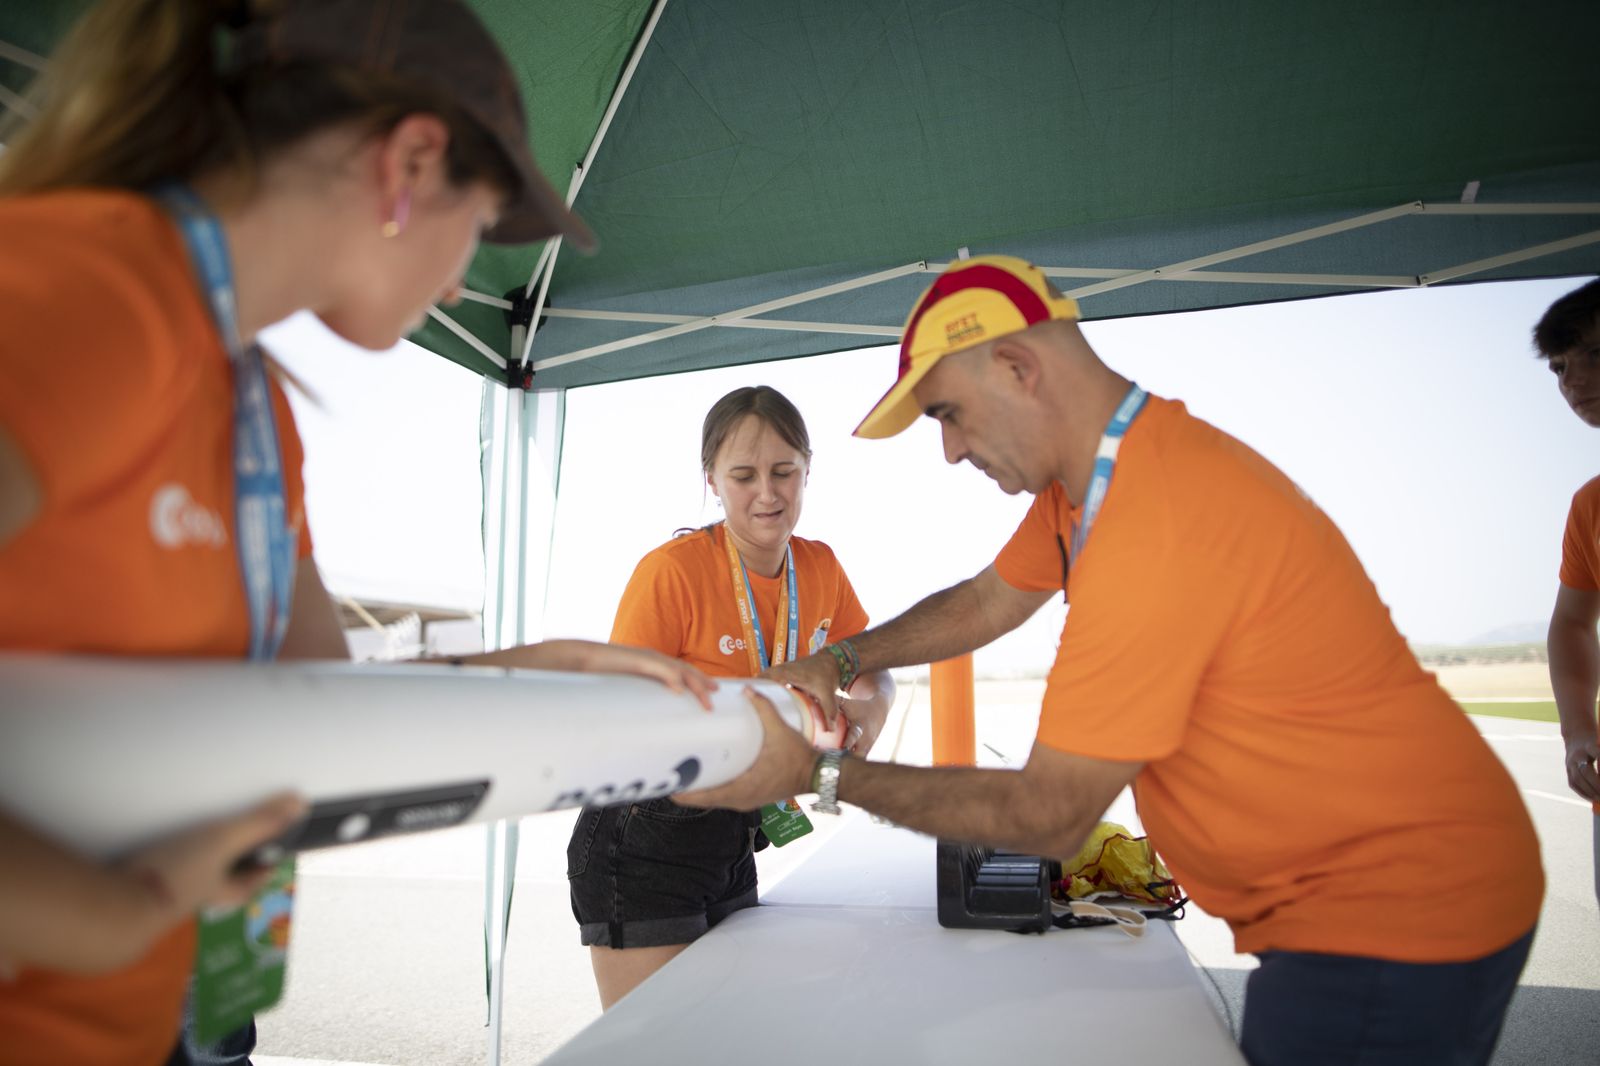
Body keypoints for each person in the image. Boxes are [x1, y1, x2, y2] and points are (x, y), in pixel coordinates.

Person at [0, 2, 714, 1064]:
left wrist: (533, 673)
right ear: (411, 160)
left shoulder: (254, 409)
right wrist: (112, 909)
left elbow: (318, 721)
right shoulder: (84, 289)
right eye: (478, 226)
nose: (469, 279)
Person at [681, 255, 1545, 1066]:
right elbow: (987, 600)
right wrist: (842, 656)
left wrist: (821, 775)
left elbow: (1051, 813)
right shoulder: (1090, 485)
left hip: (1393, 916)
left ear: (1019, 370)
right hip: (1353, 904)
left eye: (947, 413)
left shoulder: (1153, 519)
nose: (947, 450)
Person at [567, 385, 894, 1009]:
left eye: (784, 472)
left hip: (733, 837)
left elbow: (875, 666)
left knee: (725, 1034)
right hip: (643, 842)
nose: (767, 494)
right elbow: (614, 716)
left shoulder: (820, 567)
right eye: (743, 475)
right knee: (656, 1047)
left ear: (807, 470)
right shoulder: (673, 572)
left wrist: (869, 710)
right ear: (712, 480)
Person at [1533, 277, 1600, 910]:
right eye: (1559, 365)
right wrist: (1578, 730)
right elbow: (1572, 624)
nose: (1572, 379)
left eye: (1595, 355)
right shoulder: (1590, 504)